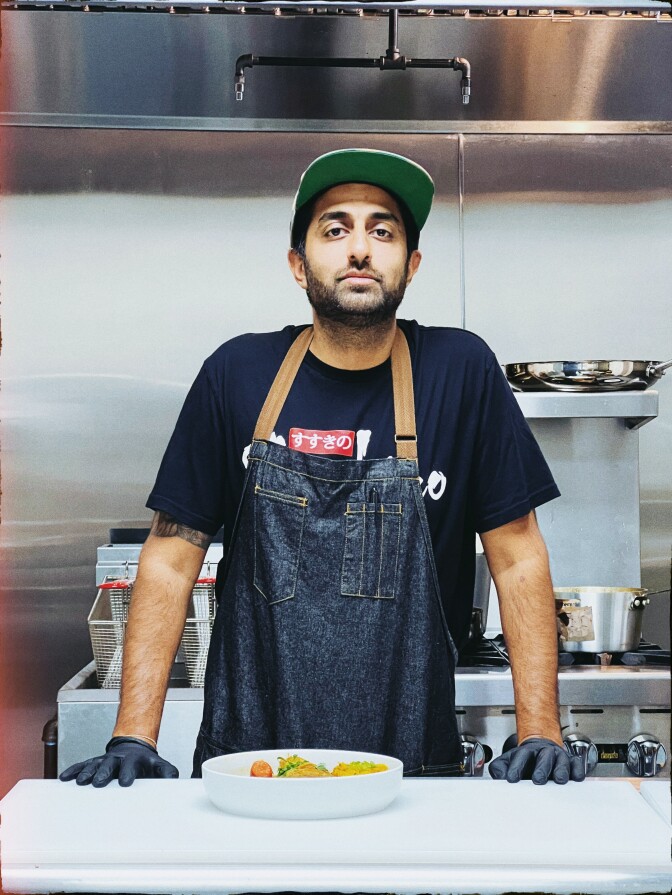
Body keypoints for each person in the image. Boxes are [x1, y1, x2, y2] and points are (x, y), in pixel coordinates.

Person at [61, 148, 585, 788]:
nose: (359, 249)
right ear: (298, 264)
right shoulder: (236, 373)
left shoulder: (460, 370)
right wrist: (133, 735)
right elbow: (171, 556)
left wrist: (540, 729)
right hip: (249, 768)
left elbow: (519, 555)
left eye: (382, 231)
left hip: (412, 773)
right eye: (336, 230)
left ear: (412, 265)